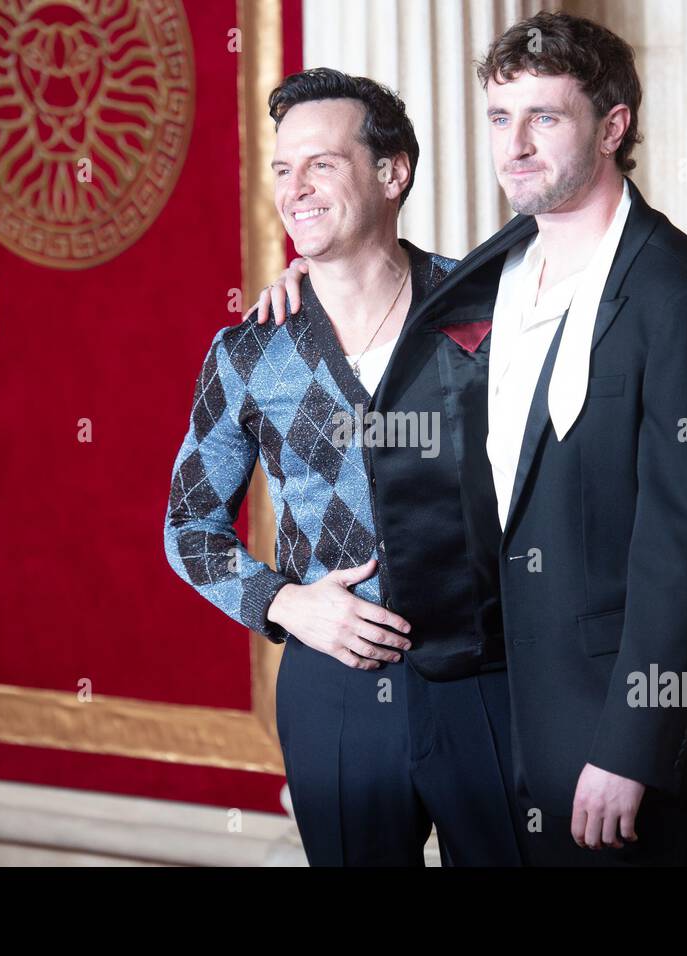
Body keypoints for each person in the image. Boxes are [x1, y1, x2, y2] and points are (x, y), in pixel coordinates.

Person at [255, 12, 687, 866]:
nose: (515, 145)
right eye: (498, 118)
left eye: (545, 118)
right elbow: (382, 294)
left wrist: (629, 746)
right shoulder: (491, 275)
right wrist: (314, 268)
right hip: (504, 722)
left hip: (619, 738)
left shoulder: (679, 296)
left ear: (613, 127)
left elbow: (685, 545)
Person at [164, 68, 524, 866]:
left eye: (322, 164)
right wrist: (284, 603)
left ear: (392, 173)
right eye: (283, 169)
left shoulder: (492, 309)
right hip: (335, 685)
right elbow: (186, 527)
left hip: (488, 676)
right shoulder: (249, 350)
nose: (296, 190)